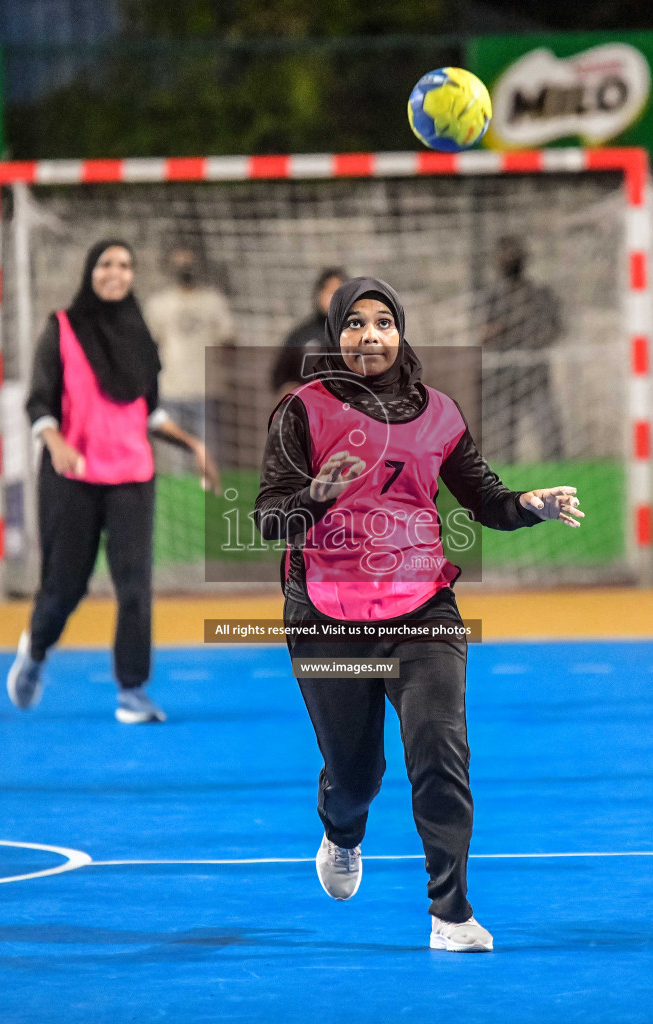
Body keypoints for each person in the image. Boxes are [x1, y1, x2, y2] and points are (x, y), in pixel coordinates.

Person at [253, 277, 582, 952]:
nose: (368, 336)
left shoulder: (439, 412)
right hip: (323, 615)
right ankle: (342, 832)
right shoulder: (301, 411)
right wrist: (318, 492)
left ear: (401, 332)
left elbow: (482, 498)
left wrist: (527, 504)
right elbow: (268, 519)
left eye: (382, 323)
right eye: (354, 324)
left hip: (423, 607)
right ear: (334, 334)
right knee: (356, 774)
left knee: (439, 750)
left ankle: (451, 915)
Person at [7, 240, 216, 725]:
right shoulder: (61, 328)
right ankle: (35, 651)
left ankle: (133, 690)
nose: (115, 272)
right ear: (90, 271)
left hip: (132, 475)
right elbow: (39, 401)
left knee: (135, 586)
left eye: (125, 265)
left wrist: (194, 445)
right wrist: (56, 442)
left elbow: (150, 410)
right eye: (106, 264)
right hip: (72, 476)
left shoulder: (141, 335)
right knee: (65, 586)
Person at [141, 242, 236, 469]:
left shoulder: (213, 301)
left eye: (189, 262)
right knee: (177, 466)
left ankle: (211, 505)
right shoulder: (159, 304)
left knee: (209, 461)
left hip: (206, 393)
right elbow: (147, 348)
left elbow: (229, 341)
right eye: (180, 263)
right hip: (170, 393)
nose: (185, 268)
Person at [478, 236, 564, 462]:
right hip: (502, 376)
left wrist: (532, 339)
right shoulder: (492, 298)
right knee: (503, 439)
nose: (508, 259)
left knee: (549, 434)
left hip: (533, 373)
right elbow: (484, 335)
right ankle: (505, 486)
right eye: (504, 255)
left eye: (513, 254)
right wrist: (500, 329)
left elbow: (555, 329)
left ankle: (560, 477)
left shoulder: (539, 295)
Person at [270, 267, 347, 398]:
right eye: (330, 292)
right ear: (319, 293)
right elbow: (279, 377)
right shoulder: (301, 335)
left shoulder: (358, 335)